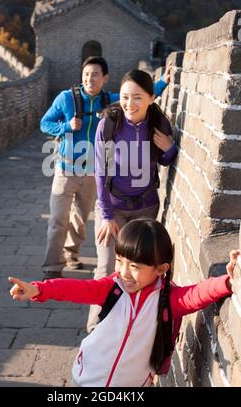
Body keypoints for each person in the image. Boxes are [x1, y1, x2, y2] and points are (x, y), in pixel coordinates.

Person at [9, 218, 239, 387]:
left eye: (135, 266)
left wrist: (228, 281)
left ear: (161, 269)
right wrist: (39, 289)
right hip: (86, 378)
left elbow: (198, 293)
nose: (124, 272)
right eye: (120, 261)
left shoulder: (168, 300)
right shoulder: (112, 288)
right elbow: (76, 289)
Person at [40, 57, 171, 279]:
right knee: (57, 220)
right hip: (67, 169)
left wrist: (163, 82)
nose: (90, 79)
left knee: (81, 219)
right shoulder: (66, 98)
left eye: (95, 75)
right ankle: (52, 268)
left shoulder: (108, 101)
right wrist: (66, 127)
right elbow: (45, 123)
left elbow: (134, 97)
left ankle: (71, 253)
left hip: (93, 173)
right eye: (86, 74)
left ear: (105, 78)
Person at [87, 69, 178, 330]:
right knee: (106, 269)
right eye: (125, 97)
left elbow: (164, 161)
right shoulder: (110, 124)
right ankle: (97, 328)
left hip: (145, 209)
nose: (129, 104)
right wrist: (105, 215)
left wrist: (169, 149)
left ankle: (131, 327)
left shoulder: (159, 123)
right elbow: (100, 172)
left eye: (137, 97)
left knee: (138, 271)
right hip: (112, 208)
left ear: (151, 97)